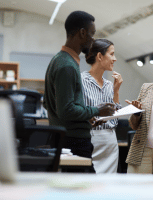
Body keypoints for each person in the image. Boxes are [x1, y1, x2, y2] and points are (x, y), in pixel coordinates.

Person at [43, 11, 115, 160]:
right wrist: (97, 110)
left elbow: (47, 103)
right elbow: (66, 110)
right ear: (82, 33)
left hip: (64, 138)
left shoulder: (60, 60)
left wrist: (86, 116)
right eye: (92, 34)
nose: (93, 40)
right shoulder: (67, 65)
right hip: (72, 142)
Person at [81, 39, 123, 173]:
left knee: (109, 187)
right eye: (112, 54)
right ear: (99, 56)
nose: (115, 59)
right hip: (90, 140)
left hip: (110, 142)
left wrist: (116, 91)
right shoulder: (80, 81)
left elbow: (115, 120)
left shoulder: (110, 85)